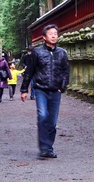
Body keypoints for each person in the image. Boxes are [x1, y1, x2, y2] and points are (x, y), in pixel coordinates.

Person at [21, 24, 70, 159]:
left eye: (55, 33)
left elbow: (66, 71)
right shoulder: (37, 53)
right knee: (43, 116)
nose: (54, 36)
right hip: (41, 88)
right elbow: (29, 71)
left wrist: (63, 86)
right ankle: (44, 147)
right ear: (44, 37)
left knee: (52, 121)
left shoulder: (62, 53)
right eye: (50, 34)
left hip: (56, 90)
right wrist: (24, 89)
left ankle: (48, 148)